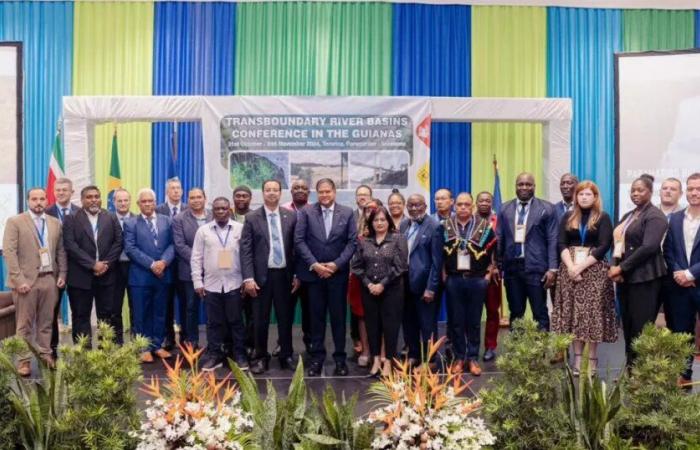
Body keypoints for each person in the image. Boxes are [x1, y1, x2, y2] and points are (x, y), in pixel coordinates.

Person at [551, 181, 617, 375]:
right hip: (569, 271)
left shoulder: (603, 217)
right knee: (574, 316)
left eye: (588, 194)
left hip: (594, 271)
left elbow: (604, 245)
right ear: (576, 197)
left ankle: (592, 360)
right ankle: (578, 359)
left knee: (592, 316)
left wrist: (580, 266)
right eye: (581, 194)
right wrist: (571, 267)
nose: (584, 197)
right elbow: (561, 243)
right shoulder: (567, 216)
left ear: (595, 197)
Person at [295, 178, 357, 377]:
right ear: (316, 193)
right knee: (316, 320)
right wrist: (315, 265)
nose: (324, 195)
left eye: (328, 191)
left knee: (339, 319)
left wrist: (336, 264)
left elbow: (352, 242)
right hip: (314, 276)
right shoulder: (306, 212)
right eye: (321, 192)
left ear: (334, 192)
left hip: (337, 276)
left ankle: (340, 359)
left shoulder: (347, 213)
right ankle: (317, 359)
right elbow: (299, 240)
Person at [3, 188, 67, 375]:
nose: (38, 202)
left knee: (47, 322)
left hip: (49, 280)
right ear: (28, 201)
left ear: (47, 200)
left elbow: (61, 251)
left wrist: (62, 274)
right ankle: (23, 361)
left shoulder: (55, 223)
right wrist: (18, 279)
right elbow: (9, 252)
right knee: (24, 324)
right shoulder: (15, 221)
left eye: (41, 199)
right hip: (25, 283)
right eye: (34, 199)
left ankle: (45, 355)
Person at [241, 180, 299, 374]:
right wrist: (248, 278)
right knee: (260, 320)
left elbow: (296, 249)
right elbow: (246, 250)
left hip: (285, 276)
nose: (272, 193)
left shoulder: (291, 217)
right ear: (263, 193)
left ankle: (286, 355)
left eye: (275, 190)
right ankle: (260, 357)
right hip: (260, 278)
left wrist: (297, 274)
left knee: (285, 318)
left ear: (281, 193)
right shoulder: (252, 217)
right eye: (268, 190)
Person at [608, 175, 667, 364]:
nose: (635, 193)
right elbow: (618, 243)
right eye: (633, 190)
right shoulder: (629, 215)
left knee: (642, 328)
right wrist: (614, 267)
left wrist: (621, 268)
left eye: (640, 190)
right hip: (626, 280)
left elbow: (649, 247)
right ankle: (631, 368)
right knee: (629, 325)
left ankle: (642, 372)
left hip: (646, 279)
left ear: (650, 192)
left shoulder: (655, 216)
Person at [441, 193, 497, 376]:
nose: (463, 207)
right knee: (456, 321)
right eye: (459, 204)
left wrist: (488, 275)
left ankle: (472, 358)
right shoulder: (445, 226)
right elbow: (438, 254)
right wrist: (444, 275)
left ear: (472, 206)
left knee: (474, 321)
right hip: (454, 279)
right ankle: (459, 357)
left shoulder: (484, 227)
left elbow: (495, 251)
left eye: (466, 204)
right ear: (454, 206)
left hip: (477, 279)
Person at [191, 197, 247, 372]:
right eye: (217, 209)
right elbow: (196, 257)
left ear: (230, 209)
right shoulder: (203, 231)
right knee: (213, 323)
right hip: (211, 285)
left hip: (235, 284)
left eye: (224, 208)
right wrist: (197, 281)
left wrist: (247, 280)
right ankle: (214, 355)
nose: (221, 211)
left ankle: (239, 355)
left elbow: (246, 256)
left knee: (236, 321)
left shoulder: (240, 229)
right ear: (212, 211)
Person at [497, 173, 558, 330]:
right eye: (521, 184)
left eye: (528, 184)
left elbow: (552, 240)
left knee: (540, 312)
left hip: (536, 268)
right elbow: (500, 238)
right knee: (516, 313)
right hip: (512, 269)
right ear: (516, 186)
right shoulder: (504, 208)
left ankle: (540, 352)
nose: (524, 187)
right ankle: (518, 352)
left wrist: (552, 268)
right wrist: (498, 265)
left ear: (534, 186)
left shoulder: (547, 208)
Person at [351, 206, 408, 377]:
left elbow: (401, 266)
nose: (379, 223)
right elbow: (357, 266)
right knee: (372, 326)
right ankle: (375, 360)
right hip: (369, 291)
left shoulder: (398, 238)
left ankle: (389, 361)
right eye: (376, 220)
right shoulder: (364, 241)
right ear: (371, 222)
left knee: (390, 327)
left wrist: (382, 284)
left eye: (383, 219)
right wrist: (369, 284)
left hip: (392, 290)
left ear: (388, 221)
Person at [63, 185, 123, 345]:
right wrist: (92, 264)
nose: (93, 200)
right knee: (81, 316)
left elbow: (118, 243)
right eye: (89, 197)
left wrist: (105, 265)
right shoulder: (71, 218)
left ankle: (106, 353)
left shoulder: (110, 217)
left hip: (106, 275)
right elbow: (70, 245)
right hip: (80, 277)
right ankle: (83, 355)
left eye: (96, 196)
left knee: (106, 316)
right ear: (82, 200)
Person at [124, 188, 175, 363]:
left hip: (163, 275)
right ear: (138, 204)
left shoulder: (167, 221)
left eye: (150, 201)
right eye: (143, 201)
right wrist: (152, 264)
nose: (147, 204)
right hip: (141, 277)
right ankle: (143, 348)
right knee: (141, 313)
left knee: (160, 312)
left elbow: (172, 245)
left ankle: (157, 345)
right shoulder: (131, 223)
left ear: (155, 202)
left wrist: (163, 262)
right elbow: (130, 249)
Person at [663, 173, 700, 388]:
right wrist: (679, 272)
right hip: (679, 286)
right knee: (681, 333)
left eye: (698, 189)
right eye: (691, 188)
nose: (695, 193)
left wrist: (690, 274)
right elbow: (668, 249)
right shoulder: (676, 218)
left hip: (695, 280)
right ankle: (684, 376)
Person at [400, 194, 442, 367]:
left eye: (418, 205)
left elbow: (437, 262)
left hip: (424, 285)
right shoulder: (404, 224)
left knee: (427, 325)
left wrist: (431, 288)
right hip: (405, 284)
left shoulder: (434, 226)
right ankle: (414, 355)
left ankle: (430, 359)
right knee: (409, 323)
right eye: (410, 205)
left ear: (425, 206)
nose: (414, 208)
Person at [172, 188, 211, 348]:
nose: (196, 200)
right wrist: (200, 261)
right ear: (188, 200)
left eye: (199, 197)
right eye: (192, 198)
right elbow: (180, 246)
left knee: (212, 309)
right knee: (190, 308)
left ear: (205, 198)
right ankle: (191, 342)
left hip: (213, 272)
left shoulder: (214, 215)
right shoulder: (179, 219)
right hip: (188, 271)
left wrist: (209, 262)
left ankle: (214, 343)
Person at [45, 177, 79, 359]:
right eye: (58, 190)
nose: (61, 193)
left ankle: (80, 352)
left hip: (77, 272)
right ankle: (52, 352)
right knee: (51, 313)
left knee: (79, 313)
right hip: (53, 272)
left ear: (72, 192)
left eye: (65, 190)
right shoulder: (46, 212)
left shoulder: (80, 213)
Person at [156, 178, 188, 351]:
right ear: (167, 192)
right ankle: (168, 337)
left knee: (184, 302)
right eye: (172, 188)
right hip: (165, 265)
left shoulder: (189, 210)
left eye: (178, 188)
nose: (176, 191)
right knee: (166, 302)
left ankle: (184, 337)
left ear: (182, 191)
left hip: (184, 264)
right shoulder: (158, 209)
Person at [282, 179, 311, 351]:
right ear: (291, 191)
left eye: (304, 187)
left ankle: (310, 343)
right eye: (296, 188)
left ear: (309, 192)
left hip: (309, 269)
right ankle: (283, 345)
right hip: (287, 270)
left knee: (309, 311)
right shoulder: (283, 210)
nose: (300, 190)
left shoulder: (315, 210)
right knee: (286, 311)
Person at [475, 191, 501, 361]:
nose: (484, 203)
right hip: (474, 274)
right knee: (473, 313)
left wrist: (496, 266)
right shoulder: (468, 221)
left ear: (492, 202)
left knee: (492, 311)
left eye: (487, 200)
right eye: (481, 200)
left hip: (494, 274)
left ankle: (490, 346)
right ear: (476, 203)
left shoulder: (499, 221)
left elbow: (504, 244)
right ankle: (472, 347)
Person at [350, 185, 373, 357]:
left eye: (366, 194)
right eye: (360, 195)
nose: (362, 197)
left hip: (376, 272)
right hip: (354, 270)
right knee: (356, 309)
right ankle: (357, 340)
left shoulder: (377, 214)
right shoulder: (350, 215)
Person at [231, 185, 254, 353]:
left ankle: (250, 345)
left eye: (244, 196)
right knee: (232, 313)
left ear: (250, 198)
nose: (241, 198)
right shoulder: (224, 214)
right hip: (229, 270)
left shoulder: (256, 216)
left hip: (251, 272)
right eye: (238, 195)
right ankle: (233, 346)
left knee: (252, 312)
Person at [112, 188, 135, 344]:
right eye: (119, 200)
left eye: (125, 200)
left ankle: (136, 341)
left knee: (136, 306)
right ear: (114, 202)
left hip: (134, 268)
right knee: (115, 308)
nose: (123, 203)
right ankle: (117, 342)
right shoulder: (106, 219)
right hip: (114, 269)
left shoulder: (138, 219)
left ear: (130, 201)